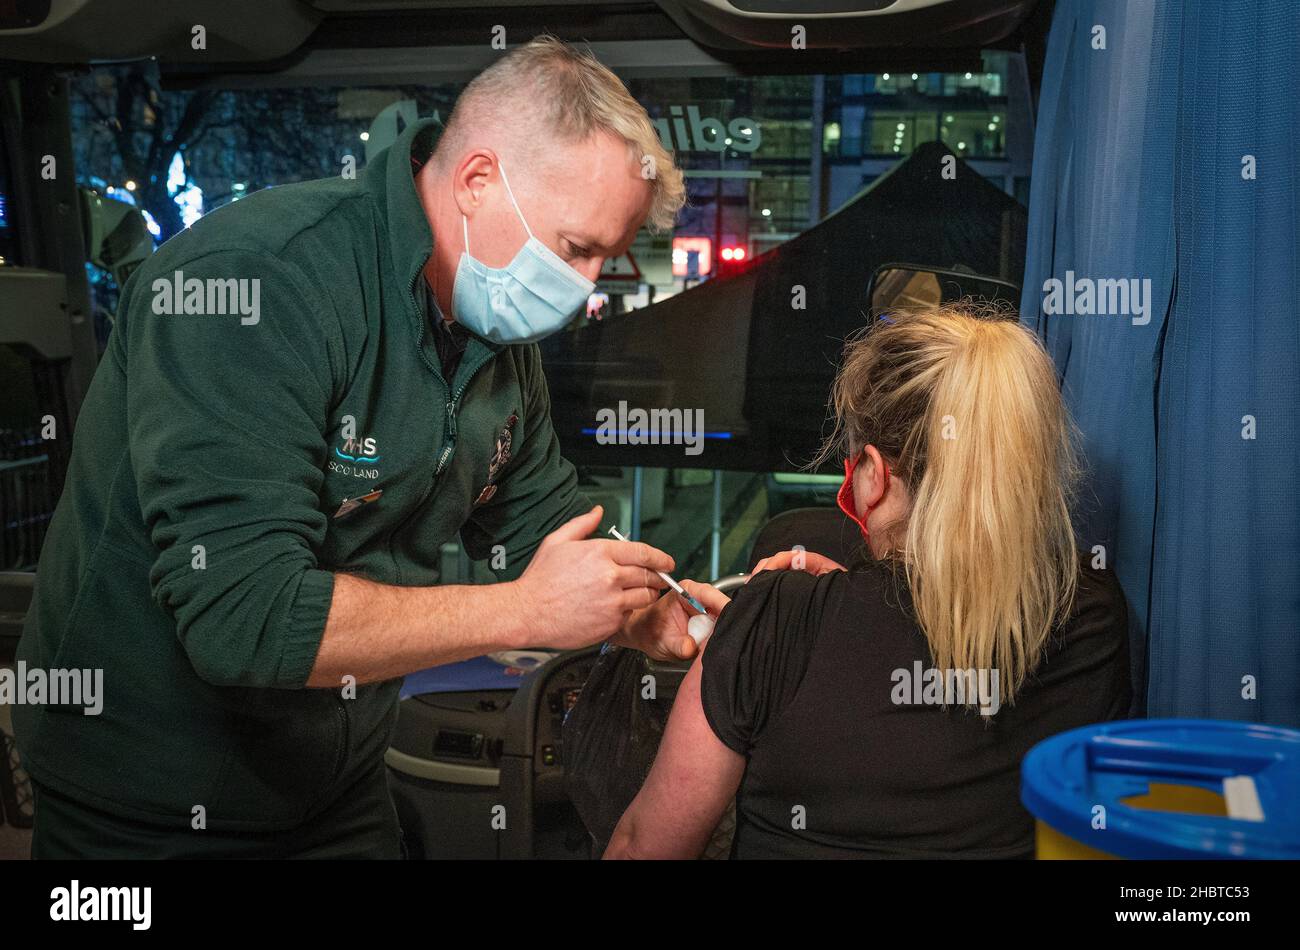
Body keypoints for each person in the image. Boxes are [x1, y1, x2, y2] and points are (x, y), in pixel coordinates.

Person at [15, 36, 697, 858]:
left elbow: (549, 525)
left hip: (335, 784)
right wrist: (524, 611)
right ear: (479, 181)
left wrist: (669, 612)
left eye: (605, 261)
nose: (585, 287)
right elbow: (243, 617)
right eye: (576, 248)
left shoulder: (494, 327)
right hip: (146, 799)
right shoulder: (257, 285)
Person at [605, 306, 1132, 859]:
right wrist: (836, 609)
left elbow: (643, 847)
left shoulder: (779, 622)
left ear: (876, 475)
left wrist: (789, 625)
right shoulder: (1092, 611)